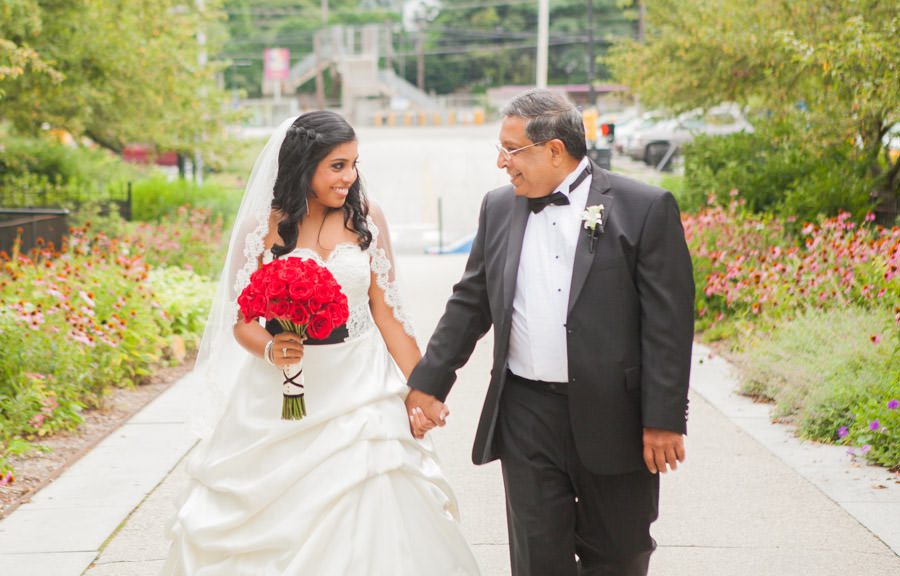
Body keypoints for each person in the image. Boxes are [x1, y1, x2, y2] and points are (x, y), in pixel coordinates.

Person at [161, 111, 480, 575]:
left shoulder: (366, 221)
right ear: (302, 164)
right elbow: (243, 322)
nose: (350, 177)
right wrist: (272, 349)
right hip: (279, 398)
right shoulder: (262, 228)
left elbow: (389, 318)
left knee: (376, 509)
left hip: (360, 392)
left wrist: (424, 389)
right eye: (337, 165)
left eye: (354, 164)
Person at [405, 90, 695, 576]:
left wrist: (664, 417)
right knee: (538, 557)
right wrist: (429, 383)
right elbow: (470, 302)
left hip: (616, 414)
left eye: (511, 150)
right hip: (525, 412)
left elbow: (669, 323)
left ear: (555, 150)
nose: (502, 163)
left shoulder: (643, 208)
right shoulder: (498, 208)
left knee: (621, 554)